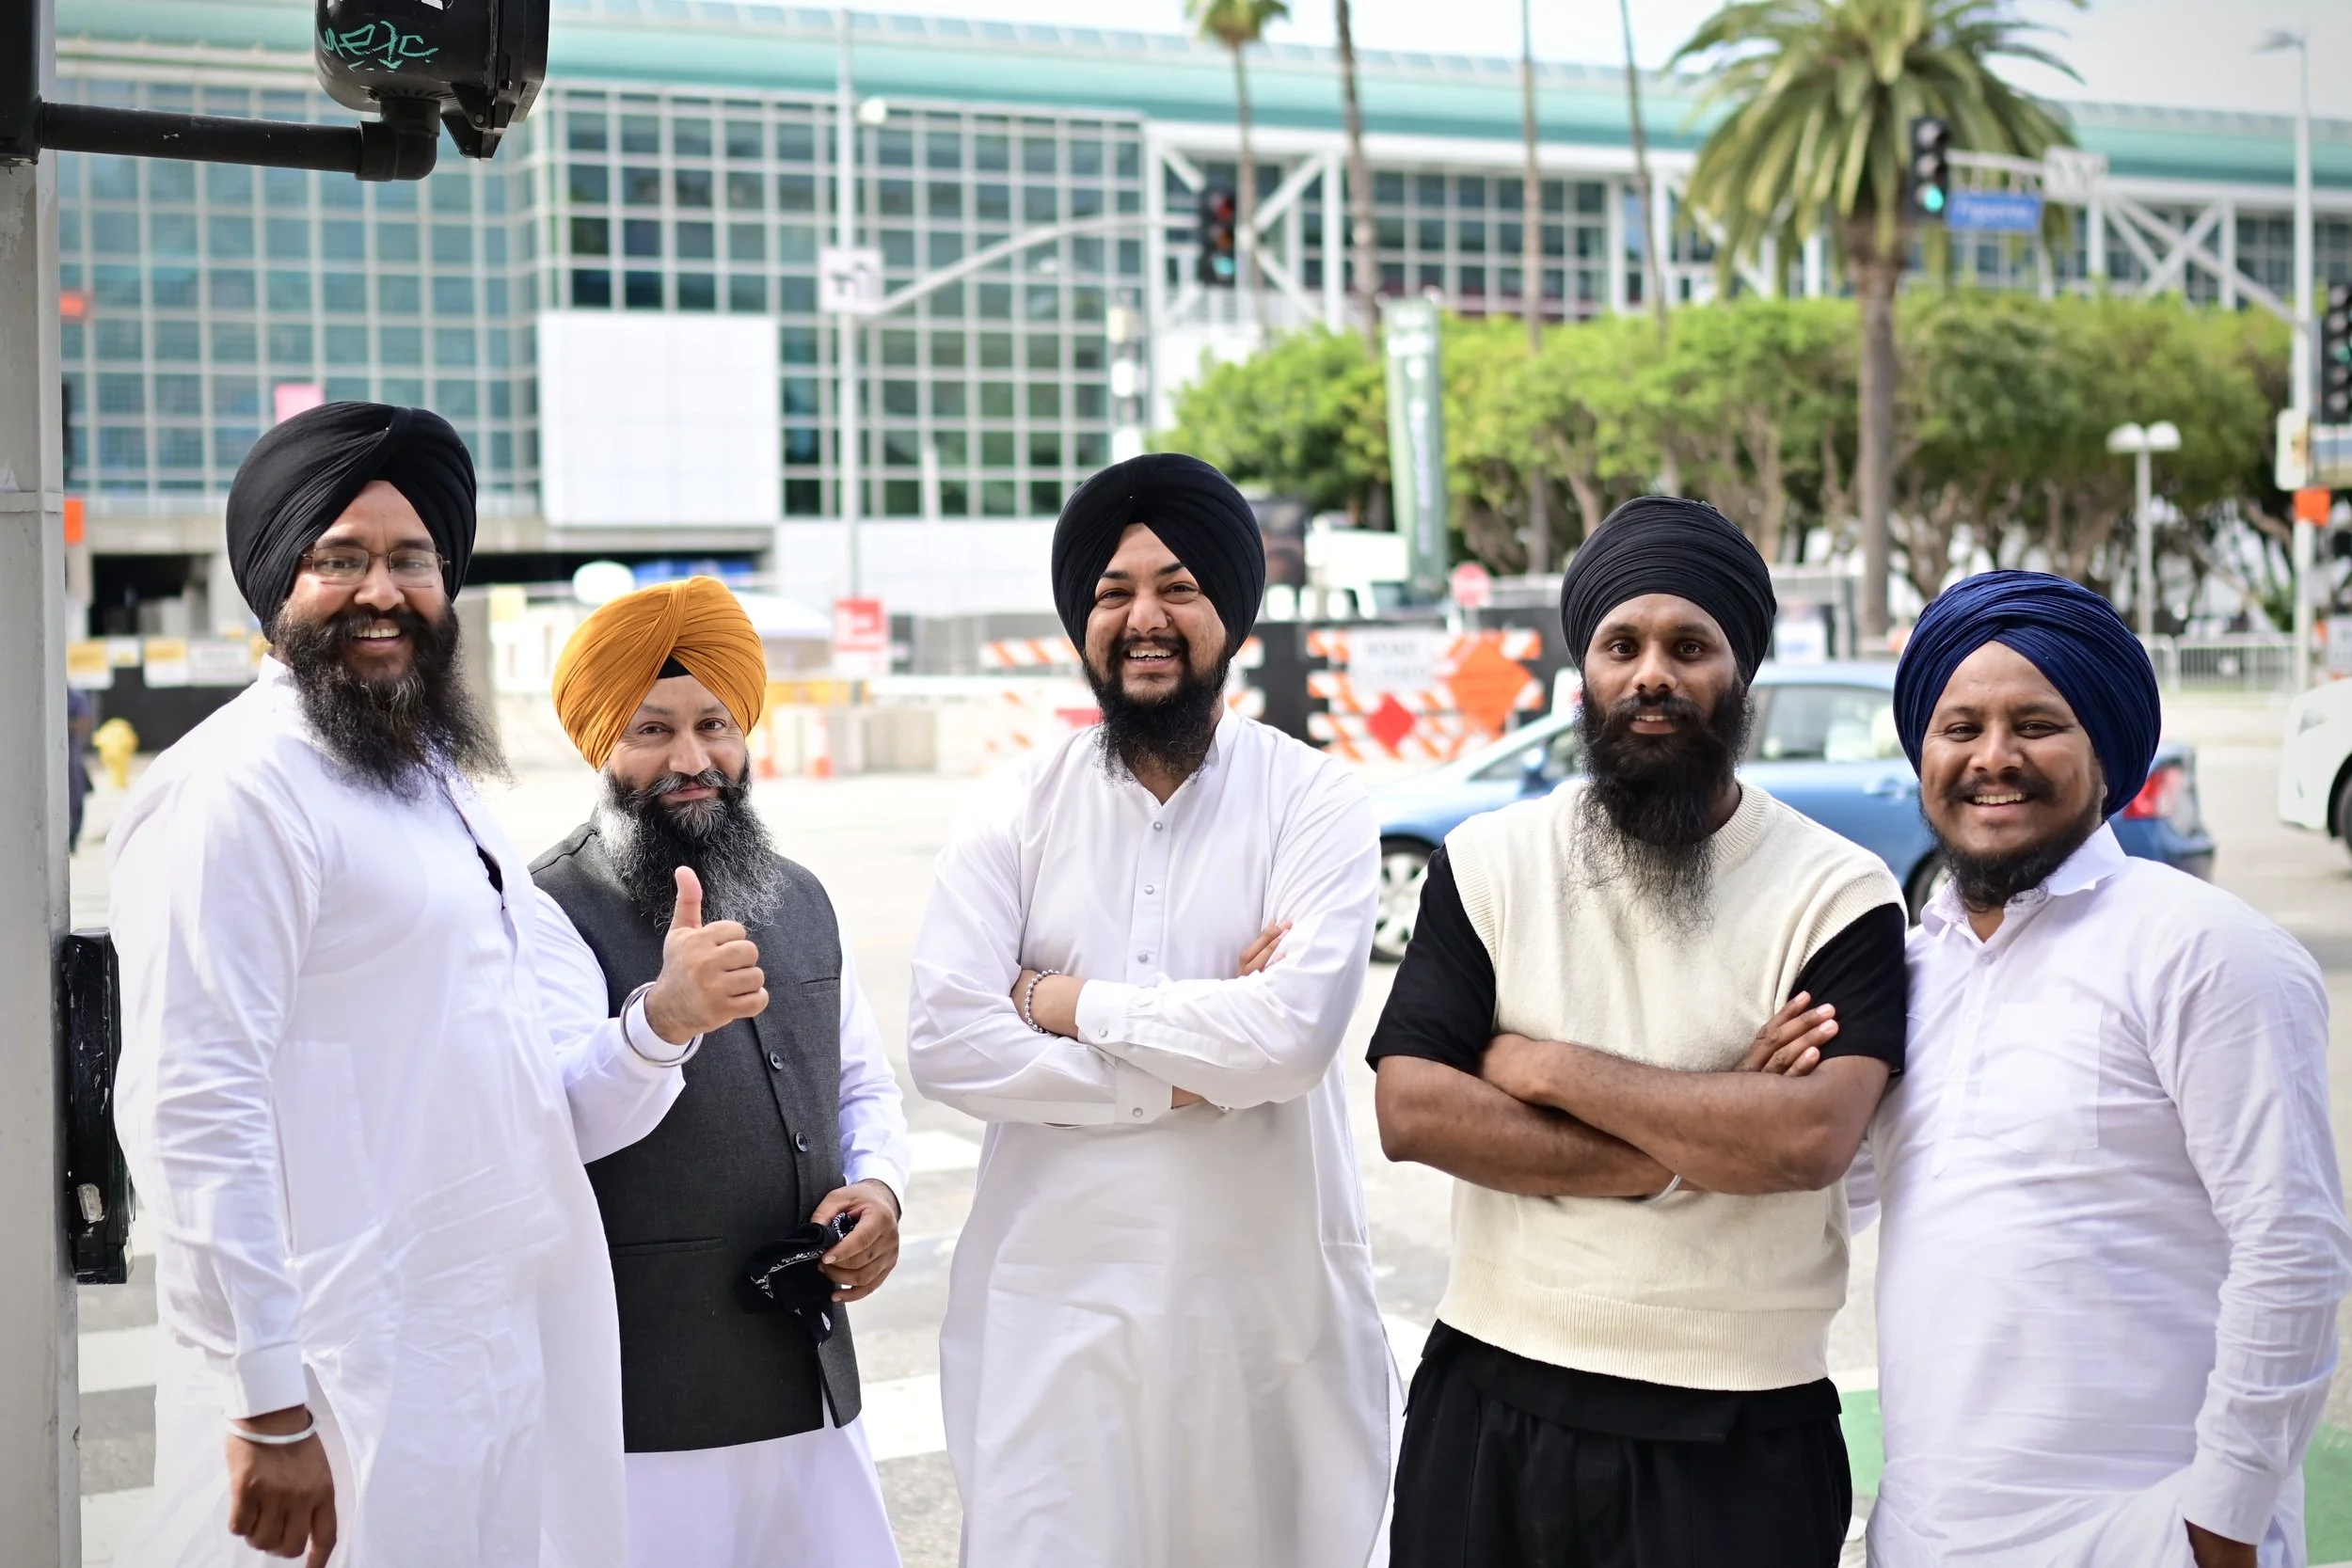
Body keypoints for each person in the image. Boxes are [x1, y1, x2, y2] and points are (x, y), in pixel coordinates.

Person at [108, 403, 764, 1568]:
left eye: (411, 560)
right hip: (341, 1373)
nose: (382, 590)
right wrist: (265, 1399)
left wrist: (657, 1026)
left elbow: (526, 1092)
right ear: (276, 584)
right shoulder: (238, 790)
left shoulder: (426, 786)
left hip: (483, 1358)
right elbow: (192, 1103)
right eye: (341, 558)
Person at [1368, 496, 1910, 1568]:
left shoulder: (1838, 891)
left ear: (1738, 675)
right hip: (1492, 1399)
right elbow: (1412, 1107)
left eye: (1688, 646)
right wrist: (1700, 1133)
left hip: (1737, 1428)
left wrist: (1539, 1065)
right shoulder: (1489, 859)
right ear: (1586, 676)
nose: (1651, 673)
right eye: (1622, 644)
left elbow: (1805, 1138)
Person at [905, 452, 1393, 1568]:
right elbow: (945, 1037)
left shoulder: (1313, 802)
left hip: (1262, 1325)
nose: (1144, 617)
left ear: (1229, 607)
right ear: (1083, 621)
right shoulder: (1013, 810)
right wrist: (1177, 1063)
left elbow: (1293, 1037)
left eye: (1177, 586)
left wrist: (1059, 1000)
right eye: (1115, 592)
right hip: (1053, 1317)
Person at [1864, 571, 2352, 1568]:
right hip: (1923, 1533)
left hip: (2140, 1533)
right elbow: (1842, 1197)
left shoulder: (2206, 948)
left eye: (2035, 722)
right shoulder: (1908, 970)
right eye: (1959, 726)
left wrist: (2217, 1522)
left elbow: (2292, 1248)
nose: (1992, 756)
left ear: (2104, 748)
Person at [530, 576, 911, 1568]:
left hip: (808, 1388)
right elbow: (550, 1123)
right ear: (598, 741)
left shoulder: (803, 895)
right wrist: (661, 1021)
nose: (690, 759)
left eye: (713, 724)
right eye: (650, 729)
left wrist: (878, 1188)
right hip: (641, 1407)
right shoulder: (543, 909)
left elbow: (860, 1085)